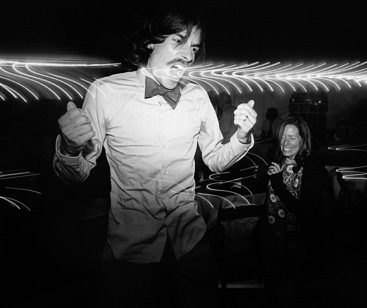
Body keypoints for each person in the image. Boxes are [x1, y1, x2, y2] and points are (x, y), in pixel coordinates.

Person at [53, 10, 257, 308]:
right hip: (131, 250)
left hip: (190, 244)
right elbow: (77, 172)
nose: (189, 56)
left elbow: (214, 159)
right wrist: (70, 149)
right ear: (151, 42)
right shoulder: (106, 92)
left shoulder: (198, 96)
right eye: (180, 42)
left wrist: (241, 137)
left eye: (195, 48)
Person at [256, 116, 333, 307]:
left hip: (294, 247)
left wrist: (277, 183)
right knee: (271, 294)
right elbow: (270, 196)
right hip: (271, 242)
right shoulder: (279, 159)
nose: (285, 143)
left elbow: (306, 211)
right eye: (283, 137)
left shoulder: (312, 167)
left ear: (302, 140)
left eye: (292, 138)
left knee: (289, 296)